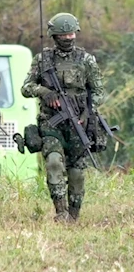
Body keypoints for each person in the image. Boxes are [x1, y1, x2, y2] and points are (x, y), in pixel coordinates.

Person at [21, 12, 105, 222]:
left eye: (71, 34)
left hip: (79, 122)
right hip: (51, 123)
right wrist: (45, 92)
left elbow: (98, 92)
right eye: (63, 35)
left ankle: (73, 216)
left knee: (76, 172)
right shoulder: (42, 60)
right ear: (54, 36)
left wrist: (88, 112)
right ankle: (60, 212)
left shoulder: (86, 60)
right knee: (54, 163)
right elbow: (26, 87)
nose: (68, 38)